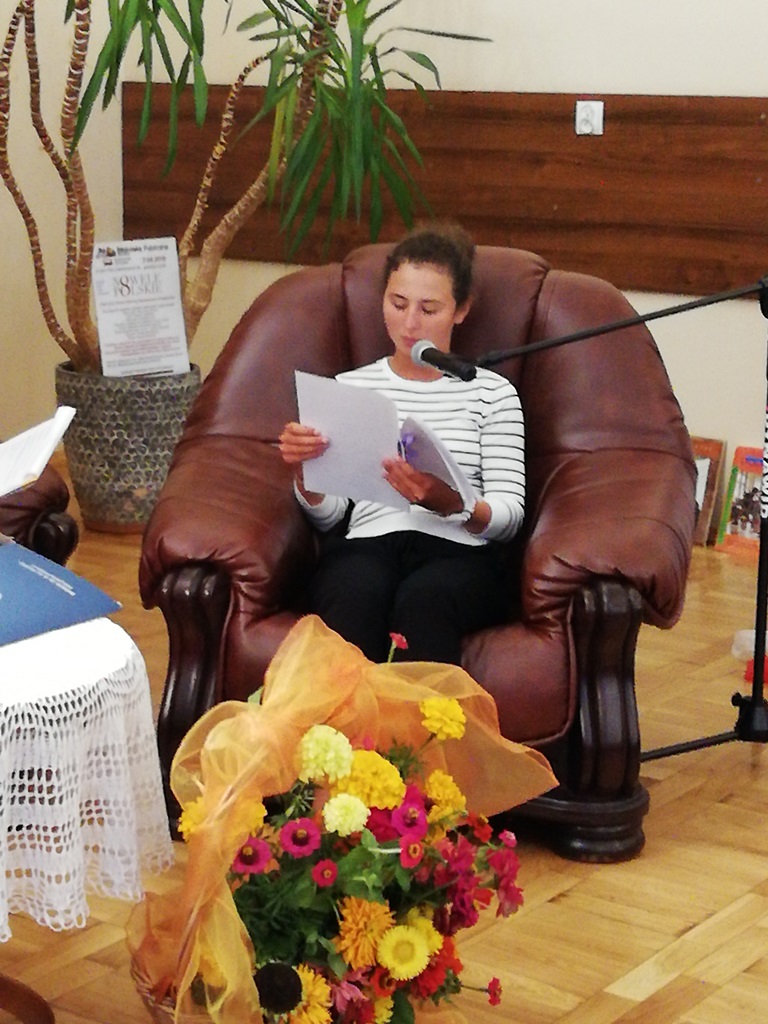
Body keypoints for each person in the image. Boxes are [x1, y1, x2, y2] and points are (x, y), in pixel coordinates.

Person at [278, 224, 525, 664]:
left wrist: (455, 504)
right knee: (354, 591)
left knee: (425, 600)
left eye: (429, 309)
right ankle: (344, 712)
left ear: (461, 310)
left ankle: (419, 713)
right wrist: (305, 471)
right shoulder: (350, 387)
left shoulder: (492, 393)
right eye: (398, 303)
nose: (410, 324)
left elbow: (510, 518)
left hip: (459, 553)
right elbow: (330, 515)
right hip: (368, 544)